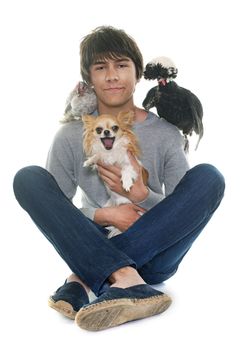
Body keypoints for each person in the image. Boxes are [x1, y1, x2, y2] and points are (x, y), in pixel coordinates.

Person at [13, 26, 225, 331]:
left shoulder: (165, 133)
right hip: (94, 239)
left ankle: (84, 281)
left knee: (209, 177)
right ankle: (126, 280)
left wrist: (142, 196)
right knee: (28, 178)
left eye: (121, 65)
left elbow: (183, 211)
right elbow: (58, 213)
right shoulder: (71, 135)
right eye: (101, 67)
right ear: (89, 78)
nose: (112, 76)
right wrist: (105, 214)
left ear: (137, 74)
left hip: (156, 254)